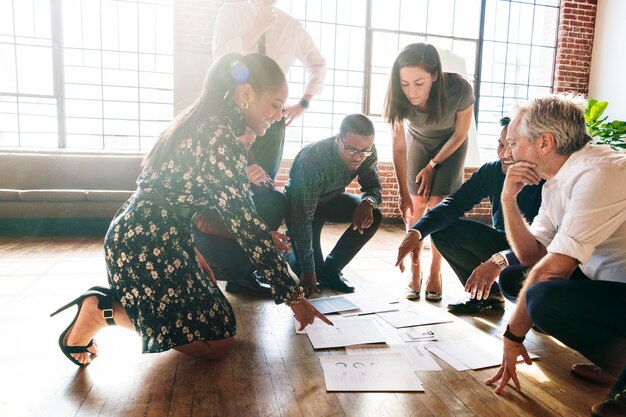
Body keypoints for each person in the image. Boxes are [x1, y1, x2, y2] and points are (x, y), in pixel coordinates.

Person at [50, 53, 331, 367]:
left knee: (220, 324)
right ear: (247, 93)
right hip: (143, 244)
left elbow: (173, 197)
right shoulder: (220, 136)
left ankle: (122, 306)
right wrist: (294, 296)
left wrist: (189, 251)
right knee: (217, 341)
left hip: (155, 235)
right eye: (275, 104)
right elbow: (246, 225)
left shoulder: (206, 123)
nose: (279, 115)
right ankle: (101, 311)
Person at [485, 94, 626, 395]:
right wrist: (508, 199)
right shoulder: (556, 179)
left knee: (542, 297)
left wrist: (512, 337)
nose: (507, 152)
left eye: (513, 143)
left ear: (545, 143)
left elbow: (554, 270)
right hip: (606, 282)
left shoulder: (598, 173)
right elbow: (531, 256)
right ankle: (616, 363)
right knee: (514, 276)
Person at [198, 0, 327, 293]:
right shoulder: (231, 11)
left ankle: (249, 266)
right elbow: (221, 60)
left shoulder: (291, 25)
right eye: (275, 105)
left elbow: (319, 64)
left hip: (261, 121)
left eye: (280, 106)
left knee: (265, 193)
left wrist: (300, 104)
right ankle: (239, 265)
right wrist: (291, 293)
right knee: (238, 200)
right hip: (234, 111)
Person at [395, 117, 544, 310]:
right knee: (443, 231)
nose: (504, 154)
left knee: (534, 309)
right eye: (500, 145)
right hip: (502, 242)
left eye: (512, 145)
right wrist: (416, 232)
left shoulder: (548, 181)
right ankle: (487, 296)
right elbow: (454, 203)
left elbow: (547, 245)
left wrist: (500, 260)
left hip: (539, 253)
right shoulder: (491, 171)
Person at [384, 43, 474, 301]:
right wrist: (403, 193)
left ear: (436, 75)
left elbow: (460, 134)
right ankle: (416, 268)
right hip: (418, 142)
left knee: (439, 205)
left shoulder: (459, 89)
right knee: (417, 204)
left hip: (451, 144)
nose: (411, 92)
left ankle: (436, 269)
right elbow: (399, 148)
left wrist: (433, 165)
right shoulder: (397, 95)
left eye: (419, 83)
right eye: (405, 83)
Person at [285, 113, 382, 296]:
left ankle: (332, 269)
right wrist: (309, 271)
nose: (358, 157)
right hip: (299, 207)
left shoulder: (367, 151)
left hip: (330, 199)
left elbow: (374, 187)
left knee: (374, 214)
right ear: (338, 139)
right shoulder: (313, 159)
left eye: (365, 151)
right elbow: (302, 219)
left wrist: (368, 202)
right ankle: (289, 248)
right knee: (310, 270)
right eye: (352, 150)